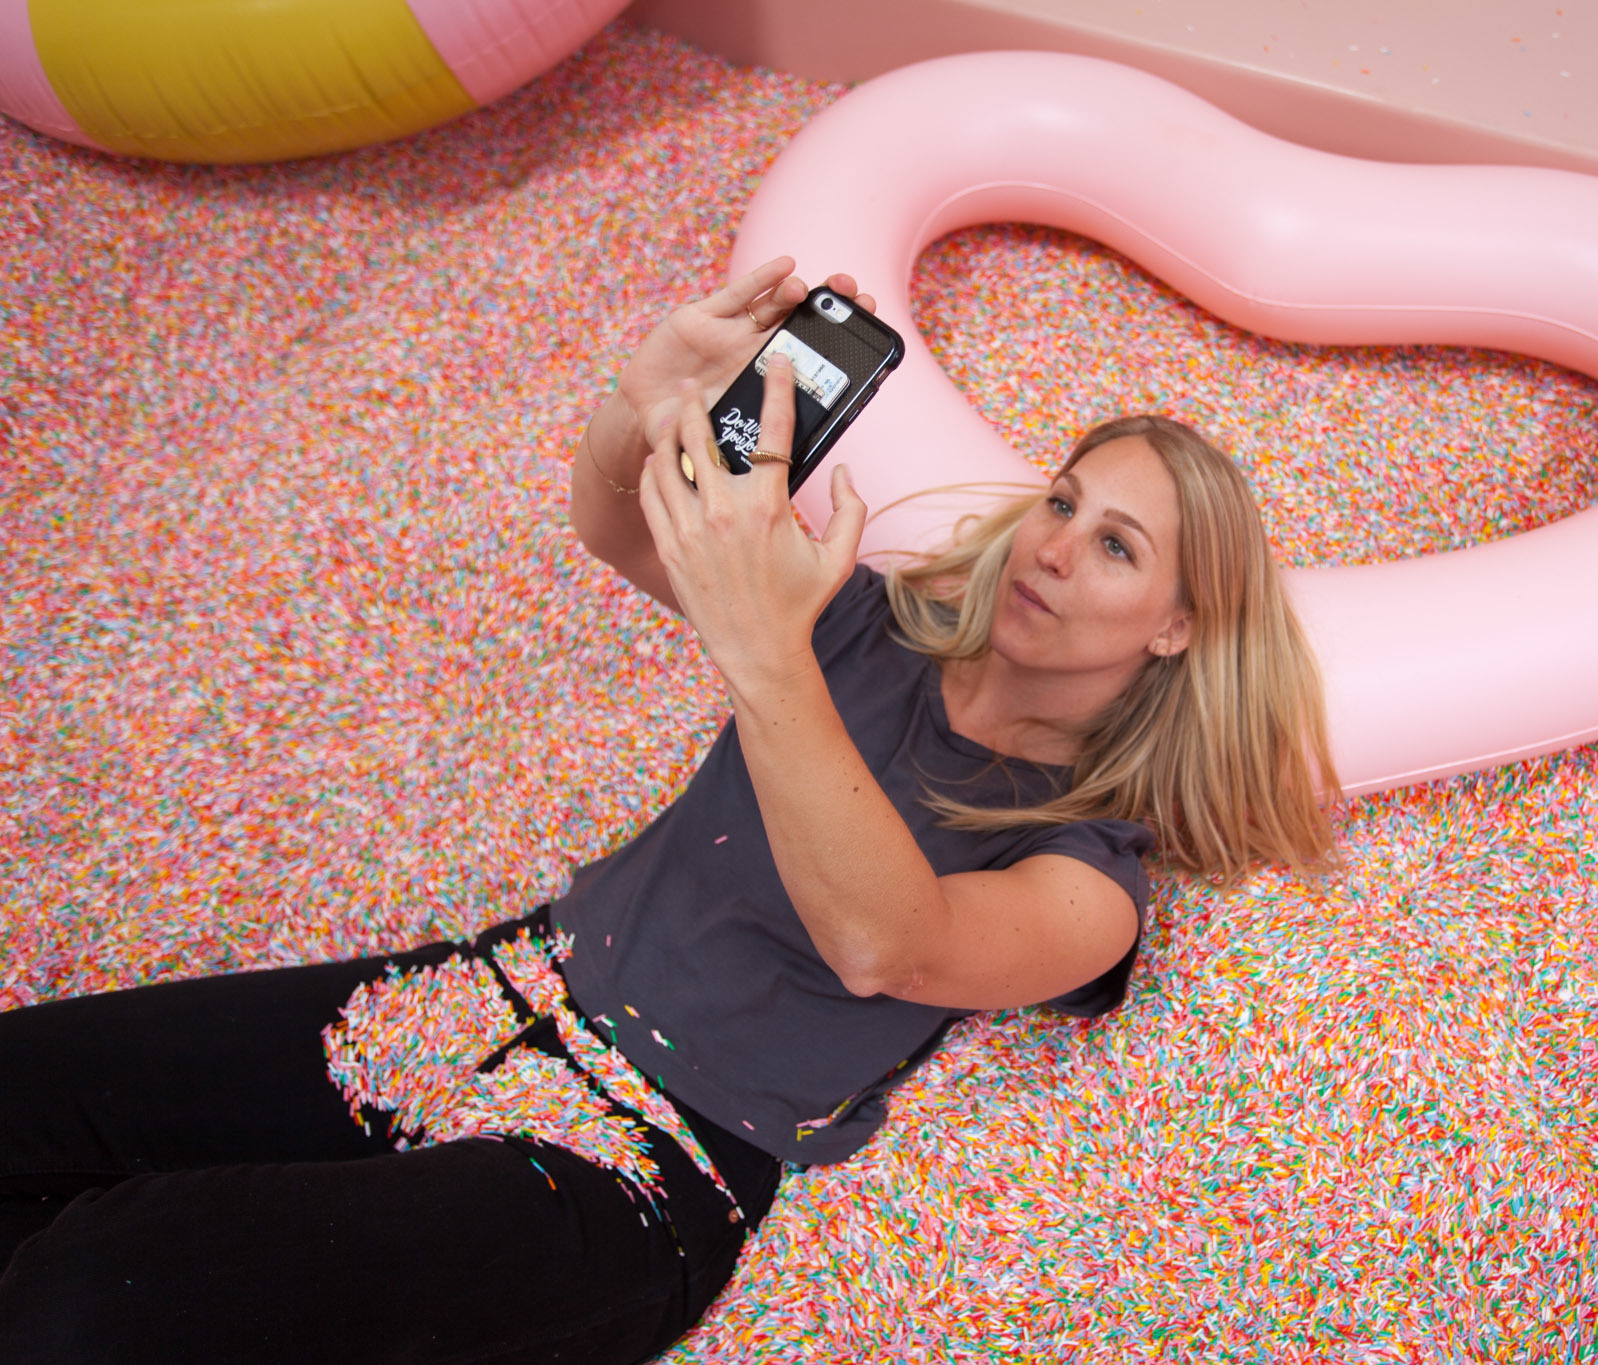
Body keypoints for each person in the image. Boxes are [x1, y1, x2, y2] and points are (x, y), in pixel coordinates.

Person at [0, 258, 1337, 1364]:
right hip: (501, 986)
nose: (1053, 544)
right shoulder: (864, 625)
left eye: (1116, 545)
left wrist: (765, 647)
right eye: (1063, 497)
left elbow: (887, 939)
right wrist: (639, 402)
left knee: (81, 1300)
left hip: (640, 1168)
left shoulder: (1089, 877)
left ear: (1177, 628)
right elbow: (620, 528)